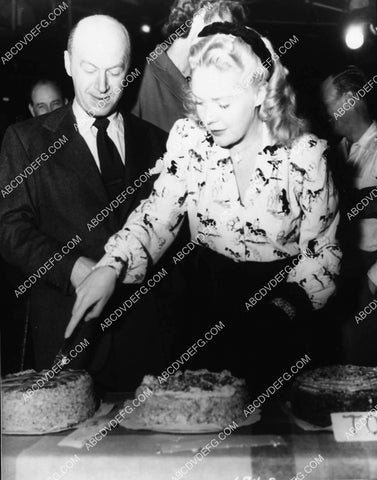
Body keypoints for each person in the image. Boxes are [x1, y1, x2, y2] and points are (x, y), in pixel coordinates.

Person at [68, 22, 341, 391]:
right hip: (206, 314)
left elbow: (322, 252)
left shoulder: (305, 157)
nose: (208, 117)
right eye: (200, 101)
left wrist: (285, 309)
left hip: (284, 311)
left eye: (223, 103)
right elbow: (155, 217)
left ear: (260, 92)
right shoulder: (191, 142)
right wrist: (112, 266)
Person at [0, 15, 172, 391]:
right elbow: (10, 232)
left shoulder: (161, 142)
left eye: (115, 71)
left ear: (129, 68)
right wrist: (76, 270)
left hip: (146, 344)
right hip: (66, 340)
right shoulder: (25, 140)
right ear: (67, 63)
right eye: (89, 69)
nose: (101, 86)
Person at [322, 66, 377, 365]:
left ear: (351, 99)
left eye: (329, 100)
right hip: (338, 276)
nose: (325, 110)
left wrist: (373, 279)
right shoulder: (332, 155)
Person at [132, 0, 248, 132]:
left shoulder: (209, 83)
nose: (228, 42)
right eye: (223, 30)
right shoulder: (140, 76)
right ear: (198, 20)